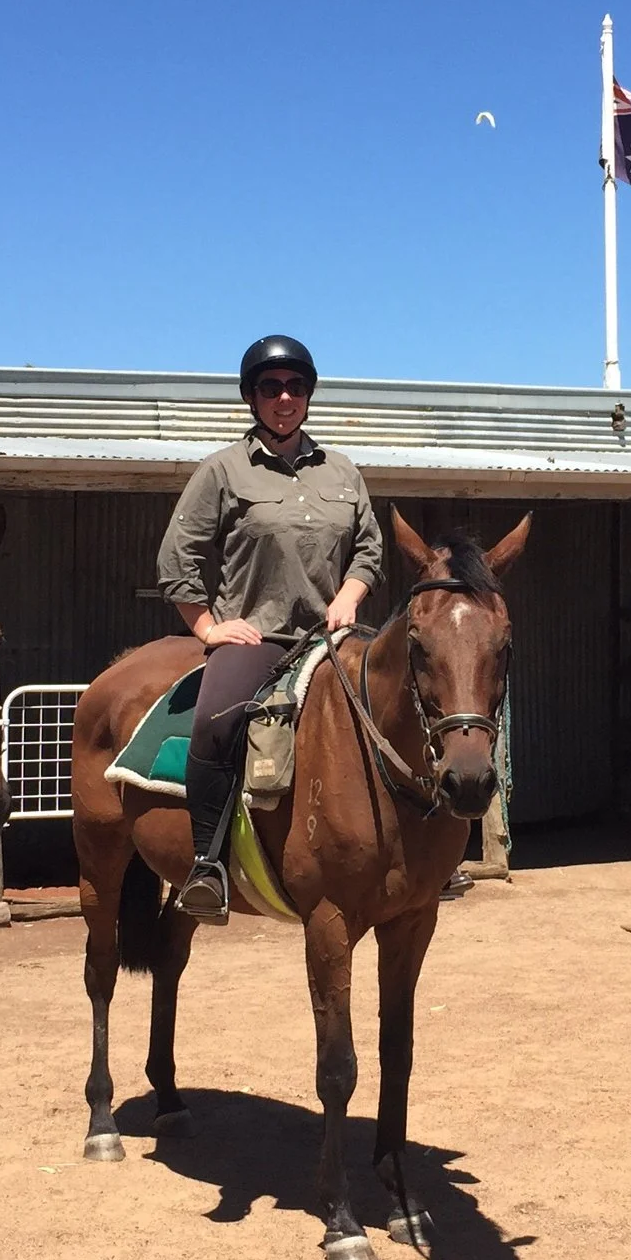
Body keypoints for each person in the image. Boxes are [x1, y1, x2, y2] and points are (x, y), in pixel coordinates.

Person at [157, 334, 384, 924]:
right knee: (215, 723)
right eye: (270, 387)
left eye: (295, 387)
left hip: (332, 636)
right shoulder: (223, 470)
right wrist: (209, 627)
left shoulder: (342, 471)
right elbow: (176, 560)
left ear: (309, 395)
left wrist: (350, 596)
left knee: (402, 697)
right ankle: (207, 865)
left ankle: (420, 858)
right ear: (251, 397)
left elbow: (369, 550)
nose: (284, 397)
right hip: (259, 638)